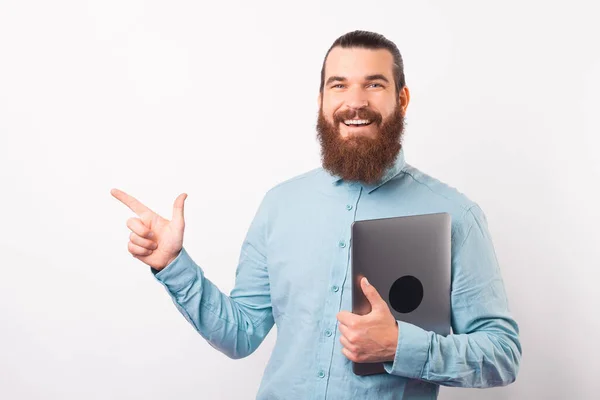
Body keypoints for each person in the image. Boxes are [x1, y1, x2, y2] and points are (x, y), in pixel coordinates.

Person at [111, 30, 521, 399]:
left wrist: (399, 345)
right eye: (339, 85)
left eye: (374, 84)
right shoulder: (280, 204)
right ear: (322, 100)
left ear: (402, 98)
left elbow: (502, 354)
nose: (355, 101)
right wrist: (172, 264)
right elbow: (240, 334)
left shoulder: (456, 215)